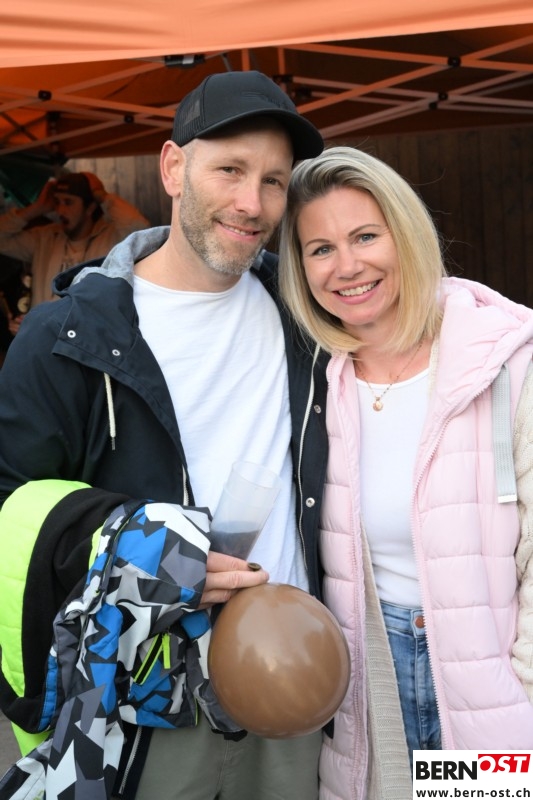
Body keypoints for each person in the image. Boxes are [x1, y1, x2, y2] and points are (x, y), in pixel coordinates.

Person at [0, 70, 325, 800]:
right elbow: (9, 510)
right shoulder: (66, 335)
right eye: (230, 170)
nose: (252, 203)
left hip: (293, 676)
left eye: (273, 181)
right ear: (173, 168)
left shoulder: (306, 314)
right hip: (137, 695)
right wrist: (148, 556)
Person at [278, 145, 533, 800]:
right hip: (367, 681)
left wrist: (522, 681)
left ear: (406, 235)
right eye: (321, 249)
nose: (346, 266)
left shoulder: (504, 359)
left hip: (487, 681)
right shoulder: (314, 379)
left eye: (366, 236)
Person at [0, 170, 149, 332]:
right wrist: (36, 208)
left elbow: (140, 229)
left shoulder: (112, 238)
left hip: (89, 342)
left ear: (90, 208)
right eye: (57, 202)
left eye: (68, 202)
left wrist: (102, 196)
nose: (60, 210)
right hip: (44, 341)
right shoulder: (45, 238)